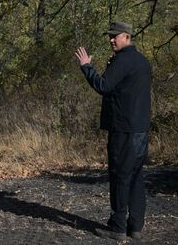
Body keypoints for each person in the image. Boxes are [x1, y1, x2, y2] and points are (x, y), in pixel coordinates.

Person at [75, 22, 151, 241]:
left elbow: (103, 85)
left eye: (115, 36)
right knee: (136, 176)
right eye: (110, 36)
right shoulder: (143, 62)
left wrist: (86, 66)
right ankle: (135, 226)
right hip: (140, 129)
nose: (111, 39)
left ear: (126, 36)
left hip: (123, 130)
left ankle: (117, 228)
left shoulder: (123, 61)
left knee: (120, 176)